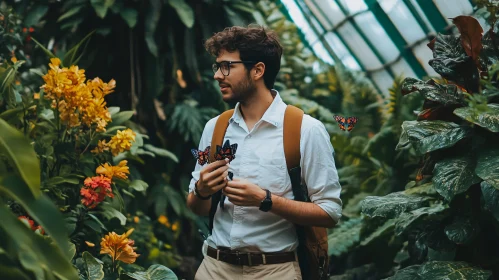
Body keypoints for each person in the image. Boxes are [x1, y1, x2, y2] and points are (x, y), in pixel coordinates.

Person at [186, 25, 342, 280]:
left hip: (275, 271)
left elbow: (330, 212)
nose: (217, 75)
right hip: (214, 268)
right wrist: (202, 190)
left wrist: (266, 200)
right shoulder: (215, 128)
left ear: (258, 70)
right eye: (217, 66)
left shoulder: (306, 130)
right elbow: (197, 207)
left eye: (227, 66)